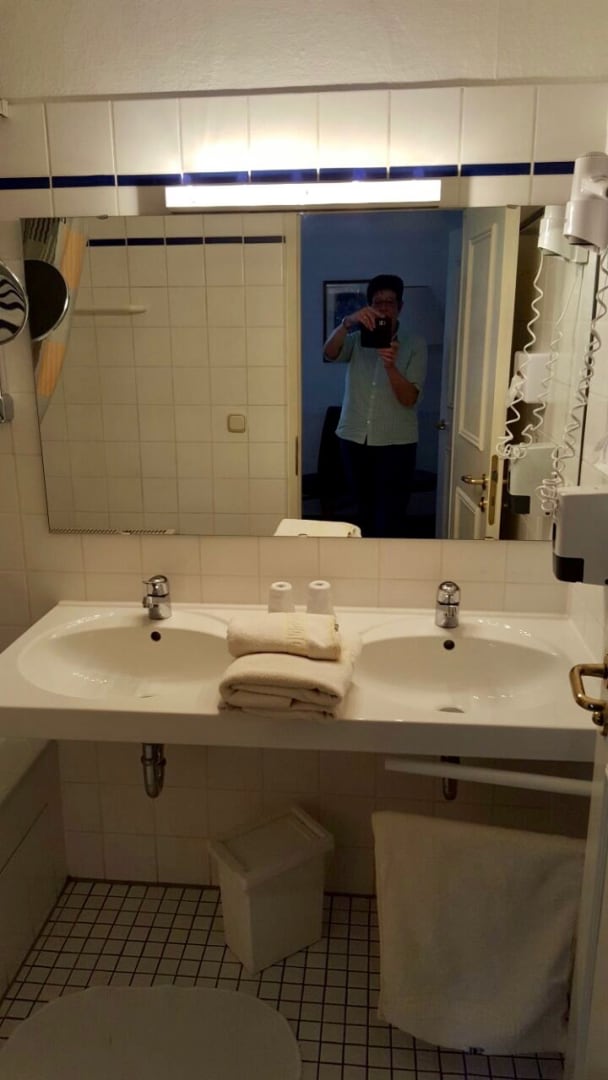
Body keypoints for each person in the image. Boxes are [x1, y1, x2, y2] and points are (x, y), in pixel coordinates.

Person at [323, 273, 427, 538]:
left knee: (392, 514)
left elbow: (409, 399)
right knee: (363, 510)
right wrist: (347, 323)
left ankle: (390, 561)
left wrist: (390, 366)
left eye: (389, 302)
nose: (383, 308)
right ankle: (365, 559)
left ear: (400, 306)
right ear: (369, 306)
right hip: (354, 438)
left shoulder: (415, 344)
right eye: (377, 302)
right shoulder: (357, 339)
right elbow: (329, 353)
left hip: (396, 443)